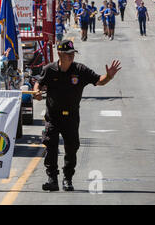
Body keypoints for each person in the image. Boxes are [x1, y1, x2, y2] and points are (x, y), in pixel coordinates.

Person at [33, 40, 121, 192]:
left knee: (71, 148)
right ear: (60, 54)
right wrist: (37, 93)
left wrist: (108, 76)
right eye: (68, 54)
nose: (71, 57)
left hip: (71, 117)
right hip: (53, 117)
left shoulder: (80, 70)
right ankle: (52, 179)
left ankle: (68, 179)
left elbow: (99, 81)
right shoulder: (49, 70)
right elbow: (38, 84)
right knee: (51, 146)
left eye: (73, 54)